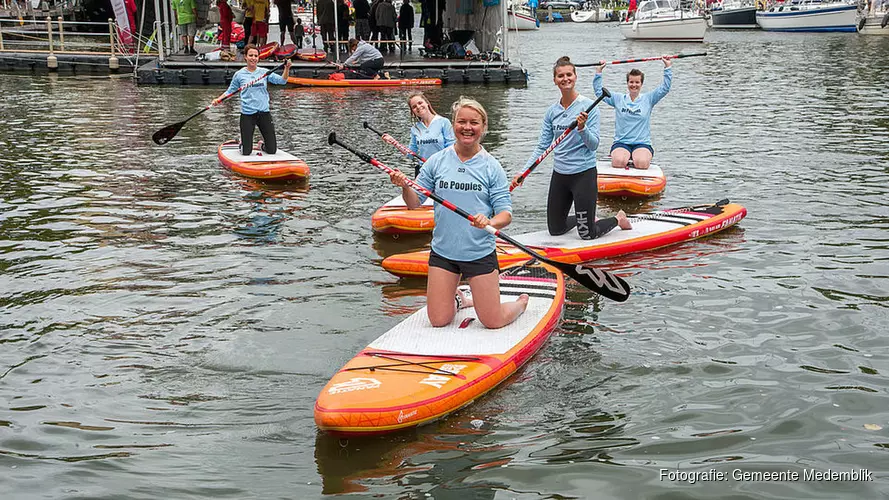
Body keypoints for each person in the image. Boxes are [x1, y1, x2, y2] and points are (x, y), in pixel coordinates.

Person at [388, 97, 528, 329]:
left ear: (483, 127)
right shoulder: (436, 161)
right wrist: (404, 185)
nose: (467, 127)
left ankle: (520, 304)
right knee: (438, 320)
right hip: (444, 253)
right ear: (453, 125)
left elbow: (506, 214)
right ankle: (459, 299)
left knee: (493, 321)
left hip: (478, 253)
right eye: (461, 121)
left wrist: (489, 221)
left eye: (474, 122)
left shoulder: (491, 166)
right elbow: (414, 203)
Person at [512, 56, 632, 240]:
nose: (565, 78)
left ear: (575, 77)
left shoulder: (588, 107)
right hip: (560, 175)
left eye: (569, 74)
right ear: (555, 80)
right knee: (556, 229)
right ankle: (587, 217)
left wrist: (582, 128)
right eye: (560, 75)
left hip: (583, 174)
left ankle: (618, 218)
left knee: (587, 234)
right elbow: (543, 147)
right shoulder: (552, 112)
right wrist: (524, 172)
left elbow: (594, 145)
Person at [594, 55, 672, 170]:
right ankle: (622, 157)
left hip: (642, 143)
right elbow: (598, 92)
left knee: (642, 163)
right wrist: (599, 71)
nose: (634, 85)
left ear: (641, 84)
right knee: (618, 162)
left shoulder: (649, 99)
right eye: (631, 82)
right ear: (627, 83)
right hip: (622, 142)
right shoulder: (618, 99)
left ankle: (636, 158)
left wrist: (667, 67)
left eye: (637, 82)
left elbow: (665, 88)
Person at [213, 45, 292, 156]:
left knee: (271, 150)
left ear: (258, 58)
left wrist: (287, 68)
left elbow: (282, 81)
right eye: (251, 55)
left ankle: (261, 145)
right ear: (245, 57)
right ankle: (242, 143)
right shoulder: (239, 75)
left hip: (264, 113)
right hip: (247, 114)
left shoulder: (264, 72)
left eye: (256, 56)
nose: (253, 58)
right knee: (246, 152)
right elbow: (229, 91)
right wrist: (218, 100)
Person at [406, 91, 455, 175]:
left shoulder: (444, 122)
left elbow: (452, 147)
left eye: (420, 103)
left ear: (427, 103)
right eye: (414, 107)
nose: (418, 107)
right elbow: (410, 154)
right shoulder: (415, 129)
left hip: (443, 169)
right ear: (413, 111)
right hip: (424, 170)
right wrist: (392, 142)